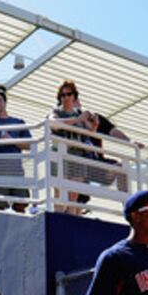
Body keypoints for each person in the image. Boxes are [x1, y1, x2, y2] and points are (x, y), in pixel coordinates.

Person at [50, 80, 93, 215]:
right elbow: (53, 123)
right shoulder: (56, 111)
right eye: (62, 95)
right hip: (59, 156)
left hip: (77, 156)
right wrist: (78, 120)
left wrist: (93, 123)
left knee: (73, 194)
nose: (66, 97)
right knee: (58, 191)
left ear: (74, 96)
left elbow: (91, 132)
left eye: (69, 94)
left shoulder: (80, 113)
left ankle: (72, 218)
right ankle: (58, 218)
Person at [81, 110, 132, 193]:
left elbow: (113, 131)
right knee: (79, 198)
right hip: (80, 164)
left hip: (98, 164)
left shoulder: (94, 117)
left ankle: (126, 202)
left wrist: (130, 141)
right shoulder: (73, 119)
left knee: (120, 168)